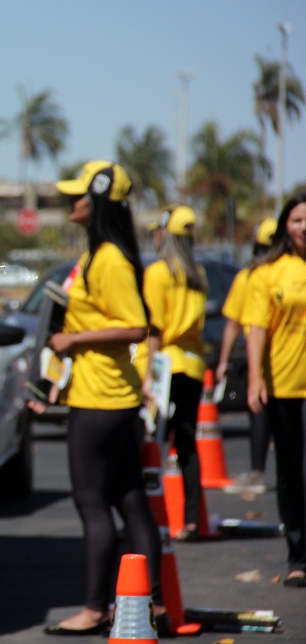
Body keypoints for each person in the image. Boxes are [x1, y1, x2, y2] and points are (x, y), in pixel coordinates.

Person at [27, 161, 166, 635]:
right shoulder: (99, 255)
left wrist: (73, 340)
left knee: (92, 503)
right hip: (109, 394)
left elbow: (136, 326)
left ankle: (94, 608)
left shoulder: (109, 260)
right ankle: (153, 603)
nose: (71, 202)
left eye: (78, 195)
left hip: (101, 398)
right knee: (129, 499)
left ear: (100, 202)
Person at [244, 192, 306, 588]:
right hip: (284, 385)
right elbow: (256, 328)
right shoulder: (268, 272)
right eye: (298, 220)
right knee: (290, 471)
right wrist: (255, 377)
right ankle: (298, 556)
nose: (304, 227)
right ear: (286, 225)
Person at [143, 205, 207, 542]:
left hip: (165, 366)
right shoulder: (198, 274)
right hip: (193, 365)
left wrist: (147, 376)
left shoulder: (158, 273)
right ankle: (192, 520)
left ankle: (149, 518)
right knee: (187, 444)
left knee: (153, 442)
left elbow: (155, 328)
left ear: (165, 234)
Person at [217, 218, 277, 494]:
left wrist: (224, 360)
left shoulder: (251, 277)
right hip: (276, 358)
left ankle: (258, 471)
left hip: (267, 358)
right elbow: (233, 323)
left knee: (260, 411)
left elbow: (232, 324)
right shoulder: (256, 277)